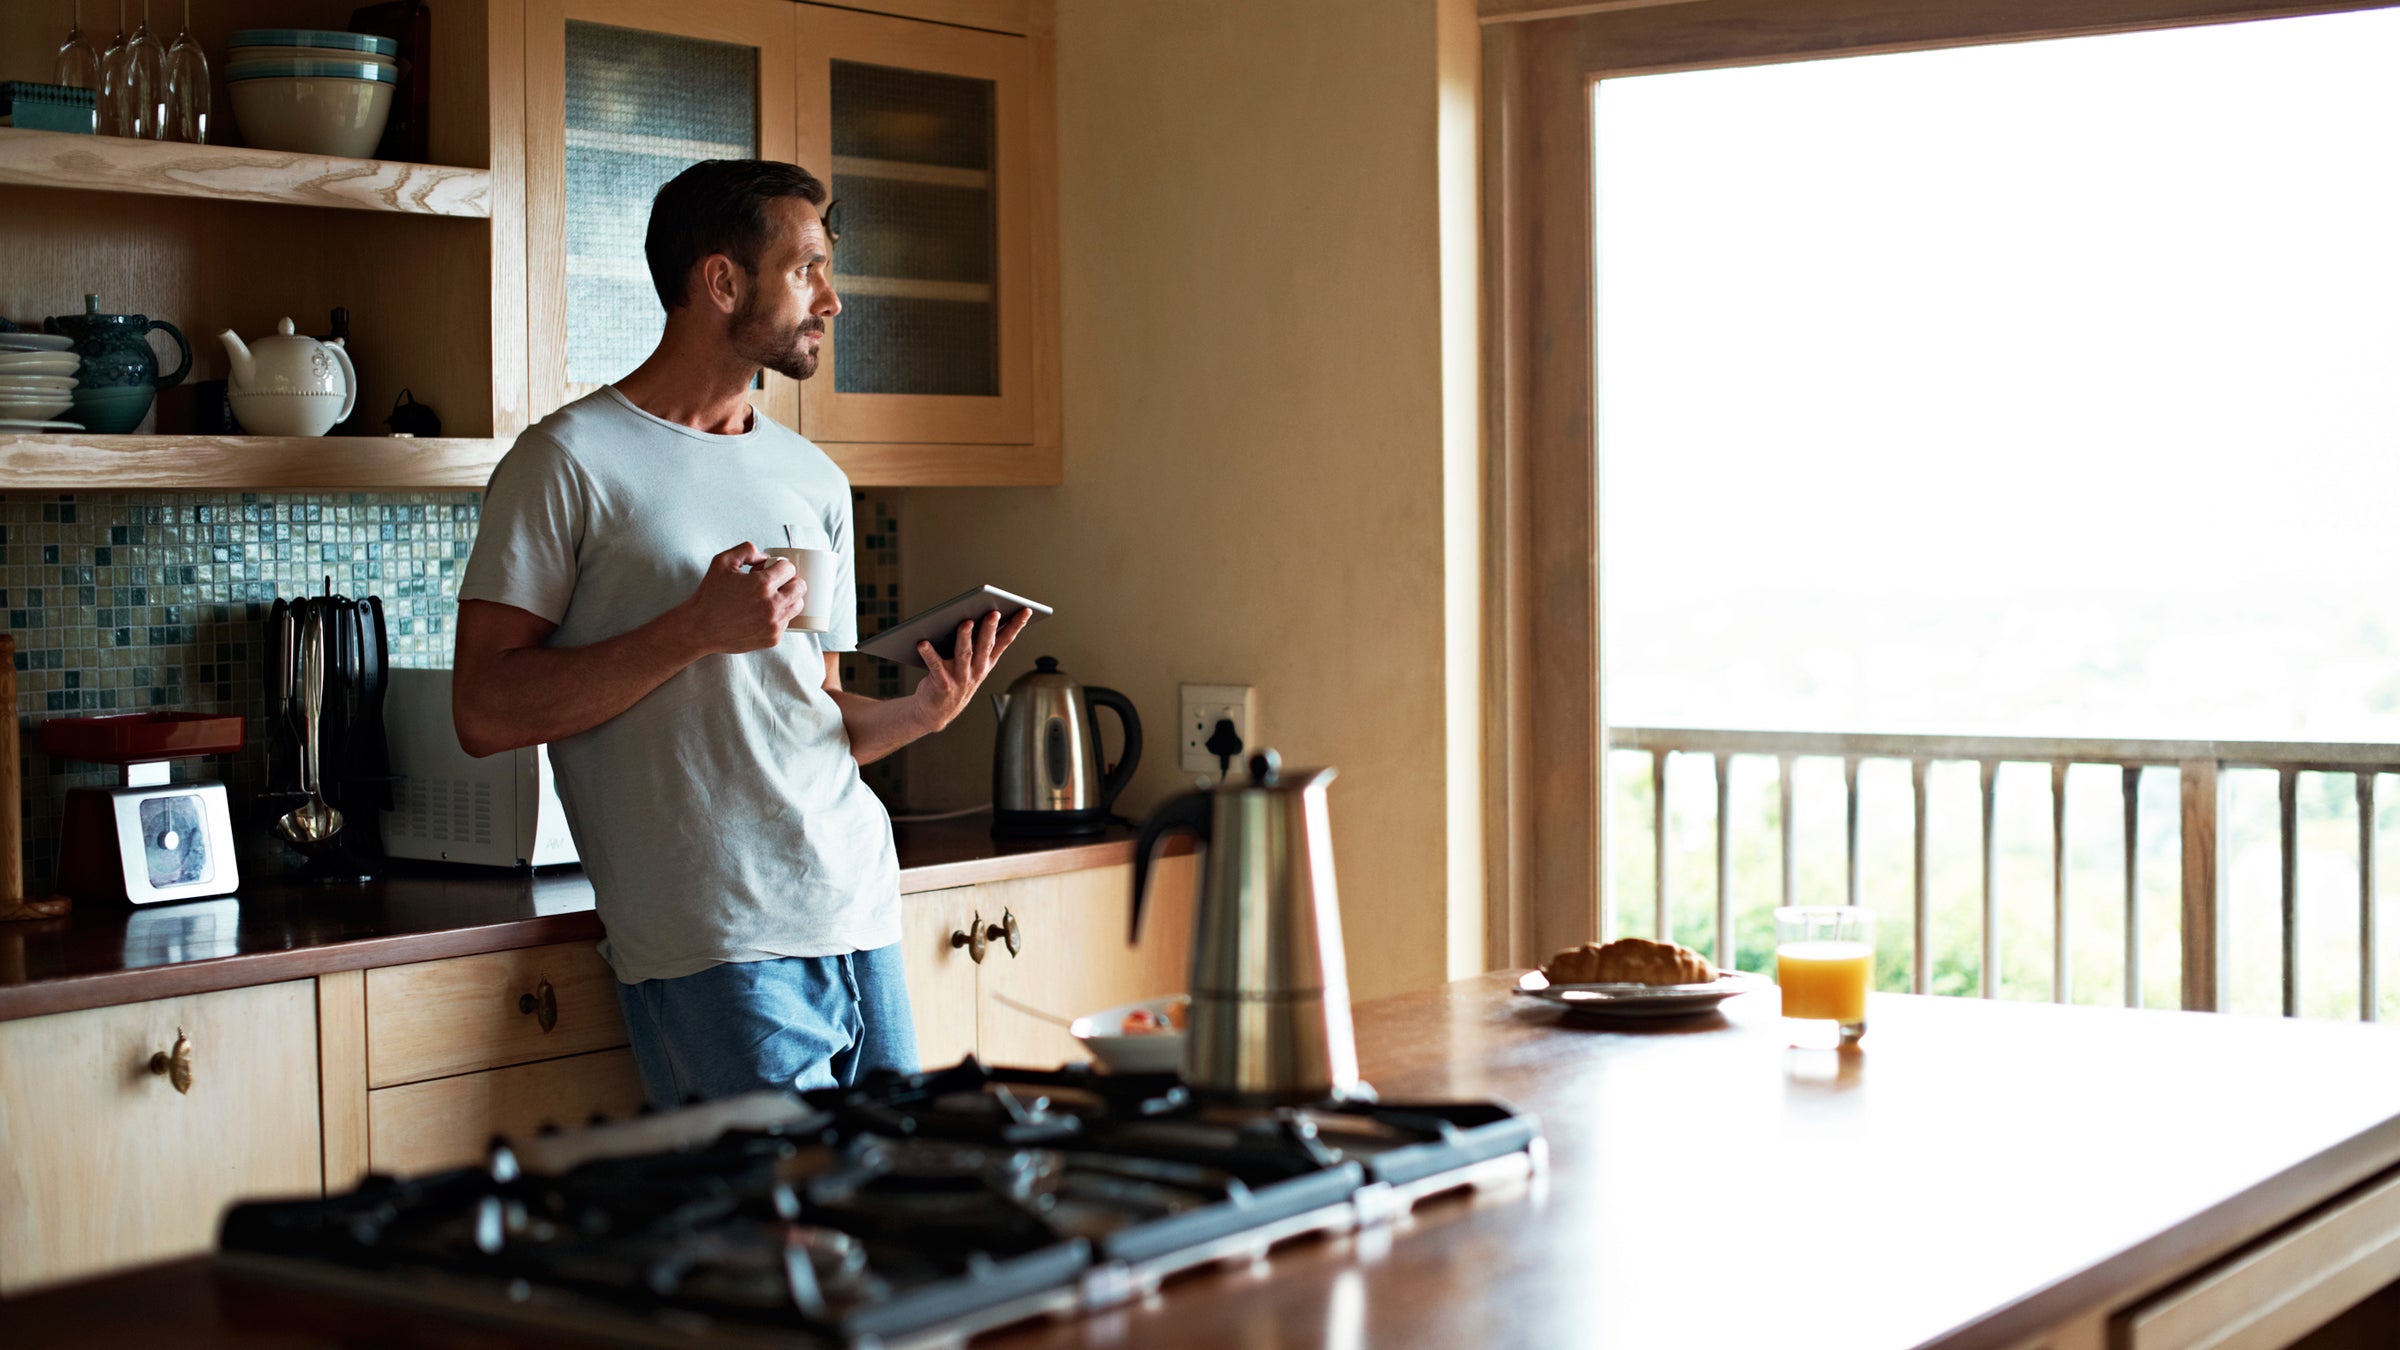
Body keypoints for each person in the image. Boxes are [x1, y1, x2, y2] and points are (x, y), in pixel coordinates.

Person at [450, 159, 1031, 1106]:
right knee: (775, 1206)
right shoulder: (566, 462)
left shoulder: (814, 479)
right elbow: (482, 710)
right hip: (714, 938)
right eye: (806, 270)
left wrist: (920, 714)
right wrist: (690, 630)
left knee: (895, 1192)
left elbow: (811, 708)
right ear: (722, 281)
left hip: (858, 911)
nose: (831, 300)